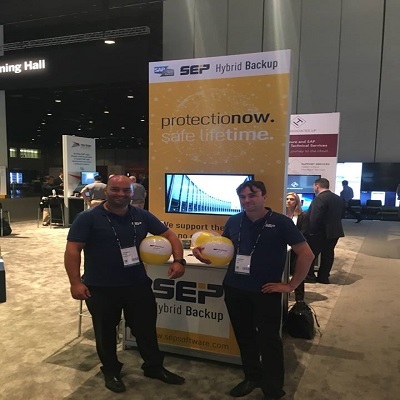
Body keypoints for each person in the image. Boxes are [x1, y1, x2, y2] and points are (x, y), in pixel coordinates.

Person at [64, 175, 186, 393]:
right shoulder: (88, 217)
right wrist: (75, 283)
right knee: (105, 332)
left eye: (125, 190)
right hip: (100, 287)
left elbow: (170, 235)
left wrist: (179, 260)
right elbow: (73, 250)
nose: (120, 194)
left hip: (136, 284)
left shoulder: (141, 215)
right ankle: (111, 370)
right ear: (106, 191)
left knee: (146, 329)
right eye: (115, 189)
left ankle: (154, 367)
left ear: (132, 192)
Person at [193, 180, 314, 399]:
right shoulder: (234, 221)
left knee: (269, 340)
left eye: (252, 195)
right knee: (244, 336)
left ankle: (272, 388)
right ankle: (252, 377)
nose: (247, 200)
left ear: (264, 197)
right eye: (243, 197)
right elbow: (224, 253)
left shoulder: (281, 222)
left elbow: (307, 254)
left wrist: (291, 285)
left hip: (266, 291)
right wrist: (204, 256)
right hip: (235, 288)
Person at [306, 178, 345, 284]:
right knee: (328, 254)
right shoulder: (338, 198)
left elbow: (315, 217)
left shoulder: (319, 198)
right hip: (335, 231)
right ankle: (323, 277)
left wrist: (310, 231)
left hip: (319, 232)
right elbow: (342, 214)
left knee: (311, 254)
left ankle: (310, 277)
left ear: (316, 186)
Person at [285, 192, 310, 302]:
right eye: (287, 199)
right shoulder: (280, 215)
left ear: (296, 202)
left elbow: (304, 232)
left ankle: (299, 300)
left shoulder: (302, 216)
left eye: (292, 199)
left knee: (297, 272)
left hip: (296, 248)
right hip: (283, 248)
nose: (289, 201)